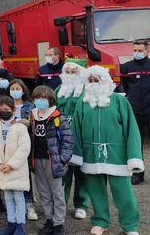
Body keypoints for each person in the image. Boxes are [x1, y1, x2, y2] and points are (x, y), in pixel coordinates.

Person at [70, 66, 143, 235]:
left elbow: (131, 129)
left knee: (123, 191)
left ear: (106, 81)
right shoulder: (83, 102)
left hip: (117, 154)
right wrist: (77, 154)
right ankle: (101, 221)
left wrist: (134, 156)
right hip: (91, 154)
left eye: (97, 80)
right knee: (96, 191)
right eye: (91, 80)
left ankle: (130, 224)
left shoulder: (119, 100)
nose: (94, 83)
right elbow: (76, 130)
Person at [30, 86, 73, 235]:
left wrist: (62, 159)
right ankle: (49, 220)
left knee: (57, 193)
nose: (40, 101)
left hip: (53, 161)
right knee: (44, 193)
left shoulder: (57, 117)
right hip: (37, 160)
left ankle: (58, 223)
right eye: (37, 98)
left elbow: (68, 140)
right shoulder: (32, 116)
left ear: (50, 99)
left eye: (43, 98)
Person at [120, 40, 150, 188]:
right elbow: (125, 86)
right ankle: (138, 174)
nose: (136, 52)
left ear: (147, 51)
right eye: (135, 50)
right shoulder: (127, 67)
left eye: (140, 50)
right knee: (135, 144)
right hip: (135, 111)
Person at [0, 96, 31, 235]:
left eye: (7, 109)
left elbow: (24, 148)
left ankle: (20, 225)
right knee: (8, 197)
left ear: (13, 110)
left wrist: (11, 165)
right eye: (1, 110)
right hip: (2, 168)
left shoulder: (20, 127)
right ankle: (10, 223)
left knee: (18, 197)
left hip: (16, 169)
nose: (3, 112)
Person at [55, 59, 89, 219]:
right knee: (64, 171)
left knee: (82, 172)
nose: (69, 75)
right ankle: (61, 202)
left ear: (80, 72)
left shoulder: (87, 90)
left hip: (81, 135)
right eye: (67, 72)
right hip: (62, 136)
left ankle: (81, 204)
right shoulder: (58, 90)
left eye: (73, 72)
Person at [6, 79, 37, 220]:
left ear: (23, 90)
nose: (15, 91)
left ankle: (29, 204)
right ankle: (14, 204)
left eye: (18, 88)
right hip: (8, 144)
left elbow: (36, 124)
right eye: (12, 89)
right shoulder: (5, 105)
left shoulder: (30, 106)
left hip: (26, 144)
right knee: (11, 172)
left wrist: (27, 122)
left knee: (25, 173)